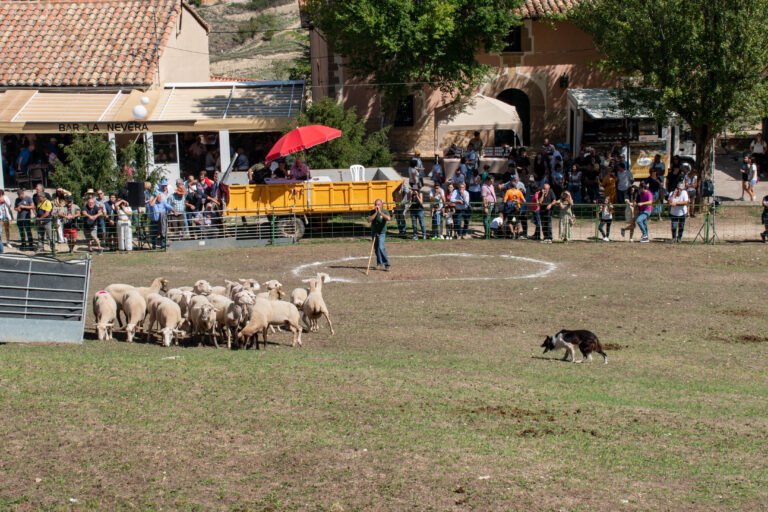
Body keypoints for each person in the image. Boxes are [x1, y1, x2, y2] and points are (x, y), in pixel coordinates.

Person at [367, 199, 391, 271]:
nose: (377, 206)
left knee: (381, 247)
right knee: (376, 249)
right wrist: (376, 213)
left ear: (381, 205)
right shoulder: (372, 212)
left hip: (381, 233)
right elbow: (369, 220)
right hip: (374, 232)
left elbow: (388, 218)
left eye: (378, 205)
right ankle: (379, 263)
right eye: (376, 204)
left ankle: (387, 264)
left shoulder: (385, 211)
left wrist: (380, 213)